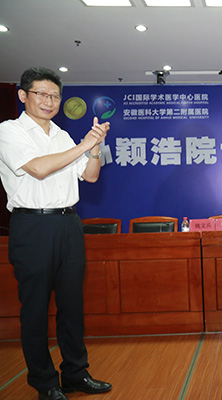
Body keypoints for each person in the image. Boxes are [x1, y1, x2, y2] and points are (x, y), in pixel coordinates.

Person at [0, 67, 112, 400]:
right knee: (35, 309)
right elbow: (38, 168)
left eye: (55, 96)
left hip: (68, 224)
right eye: (42, 94)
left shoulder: (62, 136)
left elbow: (90, 176)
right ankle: (45, 382)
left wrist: (94, 148)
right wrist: (84, 144)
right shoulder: (9, 131)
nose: (49, 101)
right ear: (23, 95)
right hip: (32, 226)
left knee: (72, 306)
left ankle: (76, 373)